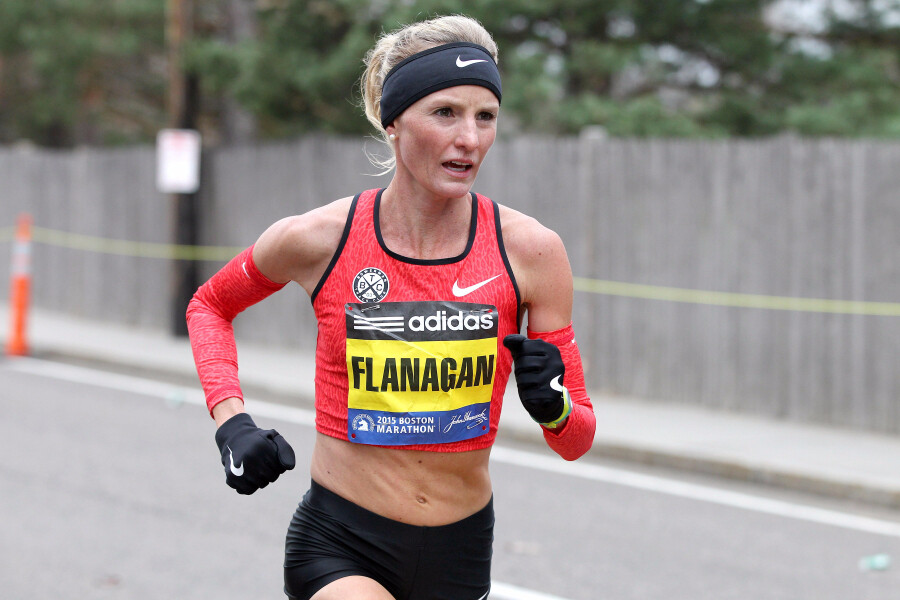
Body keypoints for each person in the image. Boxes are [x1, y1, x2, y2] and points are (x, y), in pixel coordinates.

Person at [186, 14, 596, 600]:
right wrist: (231, 422)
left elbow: (576, 440)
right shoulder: (320, 238)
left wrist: (553, 407)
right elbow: (209, 305)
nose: (470, 138)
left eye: (485, 116)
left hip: (460, 551)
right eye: (445, 112)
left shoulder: (531, 251)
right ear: (394, 121)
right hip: (340, 540)